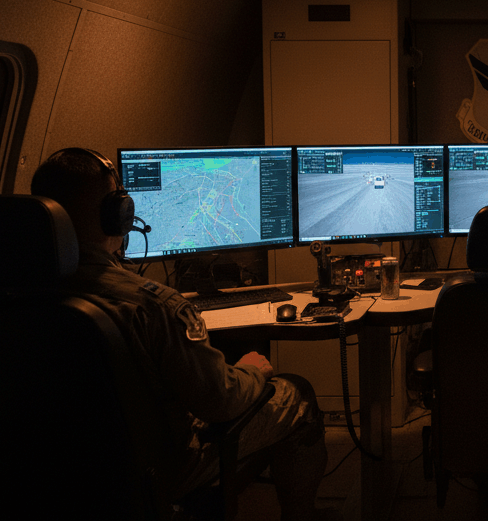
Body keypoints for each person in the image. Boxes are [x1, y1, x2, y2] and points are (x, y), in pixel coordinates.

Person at [31, 147, 328, 521]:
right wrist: (253, 370)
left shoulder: (20, 294)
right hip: (161, 469)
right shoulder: (154, 306)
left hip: (53, 473)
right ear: (118, 215)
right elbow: (219, 400)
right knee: (297, 393)